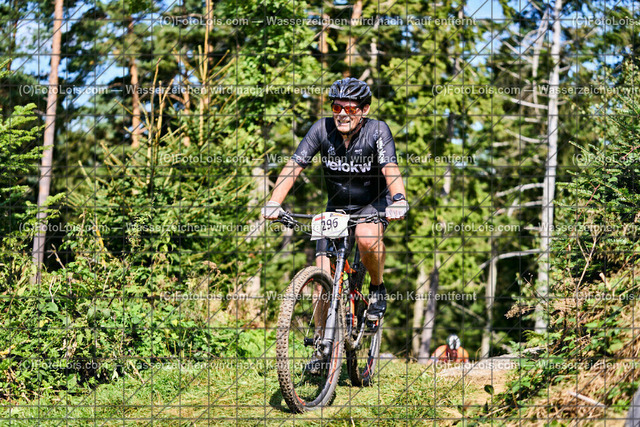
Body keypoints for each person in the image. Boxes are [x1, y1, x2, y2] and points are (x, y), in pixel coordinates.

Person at [261, 77, 409, 373]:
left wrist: (399, 199)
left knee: (366, 238)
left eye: (350, 108)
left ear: (364, 110)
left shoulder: (377, 130)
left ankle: (377, 288)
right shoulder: (321, 129)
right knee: (322, 280)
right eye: (336, 107)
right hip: (337, 208)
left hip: (373, 203)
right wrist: (274, 202)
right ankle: (321, 347)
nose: (342, 114)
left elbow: (390, 167)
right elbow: (294, 166)